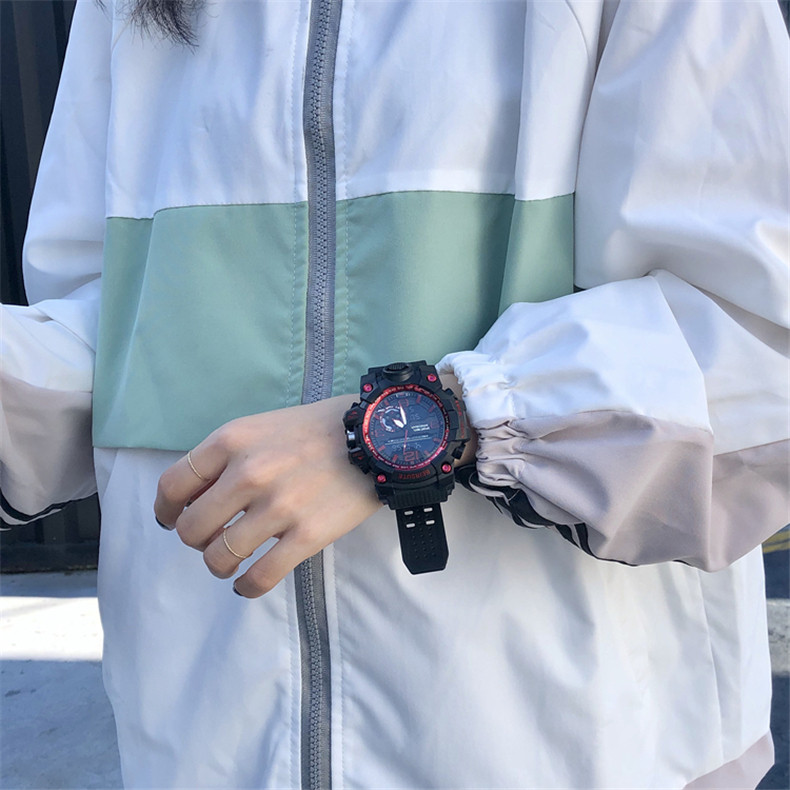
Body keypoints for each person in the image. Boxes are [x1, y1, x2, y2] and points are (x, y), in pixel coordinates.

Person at [2, 0, 788, 787]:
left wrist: (424, 421)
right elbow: (117, 328)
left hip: (573, 738)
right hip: (203, 728)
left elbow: (756, 343)